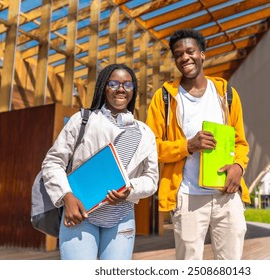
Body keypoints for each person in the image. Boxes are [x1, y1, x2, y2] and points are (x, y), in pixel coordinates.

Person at [146, 29, 250, 260]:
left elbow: (240, 143)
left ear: (202, 54)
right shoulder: (164, 98)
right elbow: (150, 148)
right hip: (187, 196)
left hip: (227, 195)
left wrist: (239, 167)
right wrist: (187, 146)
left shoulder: (226, 94)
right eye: (178, 54)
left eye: (190, 51)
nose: (185, 57)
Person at [42, 63, 159, 260]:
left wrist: (129, 189)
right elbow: (53, 162)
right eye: (113, 83)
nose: (121, 89)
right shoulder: (82, 120)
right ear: (103, 87)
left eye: (127, 85)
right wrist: (66, 197)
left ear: (134, 90)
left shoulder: (144, 132)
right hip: (80, 214)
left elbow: (151, 179)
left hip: (122, 218)